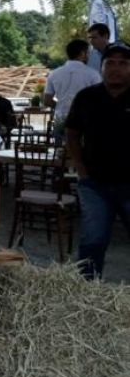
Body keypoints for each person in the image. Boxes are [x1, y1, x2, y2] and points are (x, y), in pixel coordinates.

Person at [66, 40, 130, 280]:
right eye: (110, 63)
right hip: (94, 185)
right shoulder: (87, 97)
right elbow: (72, 133)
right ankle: (87, 292)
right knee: (92, 241)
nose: (116, 68)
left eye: (123, 63)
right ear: (101, 67)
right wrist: (81, 169)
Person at [44, 39, 101, 140]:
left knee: (61, 148)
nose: (89, 56)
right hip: (85, 119)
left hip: (61, 119)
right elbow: (100, 99)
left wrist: (61, 105)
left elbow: (47, 100)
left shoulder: (54, 74)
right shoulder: (93, 74)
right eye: (88, 53)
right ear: (83, 54)